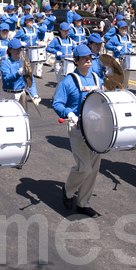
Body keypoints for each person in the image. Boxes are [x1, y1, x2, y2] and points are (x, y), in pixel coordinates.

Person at [52, 44, 103, 217]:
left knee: (93, 168)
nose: (88, 61)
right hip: (77, 128)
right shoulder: (68, 81)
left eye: (90, 58)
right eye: (84, 58)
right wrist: (69, 113)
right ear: (76, 60)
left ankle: (83, 202)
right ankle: (68, 190)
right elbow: (57, 103)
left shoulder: (96, 78)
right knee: (84, 167)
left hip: (96, 128)